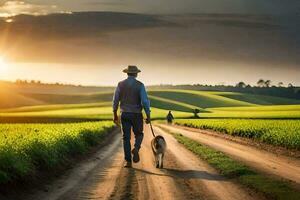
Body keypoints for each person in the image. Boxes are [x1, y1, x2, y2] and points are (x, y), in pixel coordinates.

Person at [112, 65, 151, 168]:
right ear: (136, 74)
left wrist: (115, 114)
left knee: (126, 138)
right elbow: (145, 101)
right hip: (137, 114)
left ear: (127, 73)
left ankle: (128, 161)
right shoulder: (140, 85)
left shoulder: (120, 84)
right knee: (139, 134)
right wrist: (148, 115)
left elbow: (115, 100)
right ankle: (136, 148)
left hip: (124, 113)